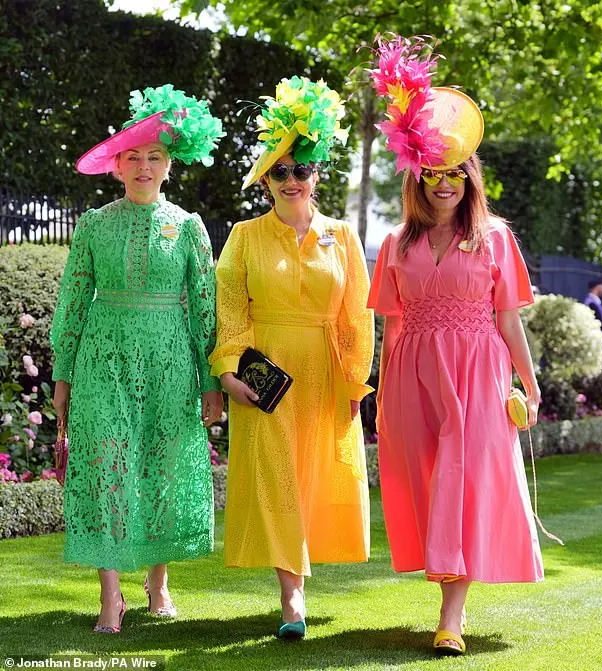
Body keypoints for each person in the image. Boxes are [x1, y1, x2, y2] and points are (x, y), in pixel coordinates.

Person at [366, 36, 543, 656]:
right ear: (418, 178)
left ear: (470, 177)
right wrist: (385, 394)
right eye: (433, 173)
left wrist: (530, 379)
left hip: (478, 368)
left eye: (455, 173)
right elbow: (389, 325)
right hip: (413, 371)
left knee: (464, 482)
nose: (444, 183)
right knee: (426, 480)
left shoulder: (495, 238)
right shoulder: (394, 244)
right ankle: (444, 587)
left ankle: (452, 617)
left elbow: (509, 318)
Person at [51, 85, 225, 634]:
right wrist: (62, 373)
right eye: (134, 158)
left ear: (169, 166)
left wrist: (212, 380)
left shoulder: (190, 226)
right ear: (117, 167)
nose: (144, 166)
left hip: (171, 362)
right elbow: (74, 302)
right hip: (102, 362)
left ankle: (159, 582)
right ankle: (110, 596)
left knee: (161, 468)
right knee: (107, 468)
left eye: (154, 158)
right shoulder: (94, 226)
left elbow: (204, 309)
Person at [210, 76, 374, 639]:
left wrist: (356, 382)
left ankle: (302, 575)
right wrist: (227, 371)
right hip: (267, 374)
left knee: (313, 478)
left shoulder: (344, 238)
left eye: (299, 170)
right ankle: (292, 596)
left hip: (327, 374)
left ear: (316, 174)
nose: (290, 180)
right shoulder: (243, 236)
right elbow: (230, 307)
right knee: (276, 478)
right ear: (266, 182)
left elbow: (357, 314)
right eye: (278, 172)